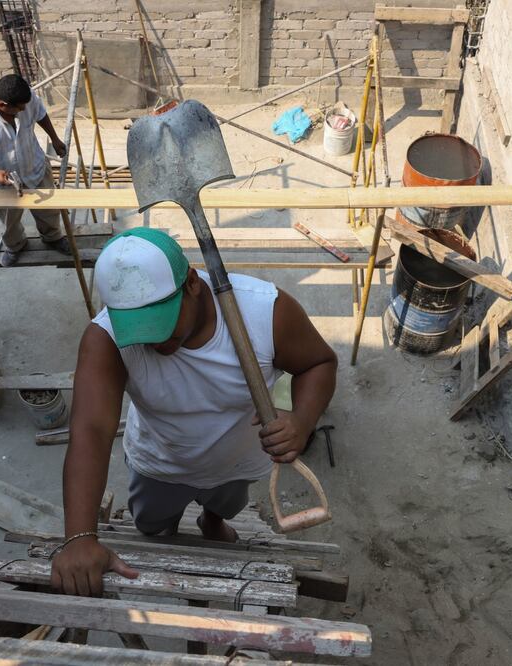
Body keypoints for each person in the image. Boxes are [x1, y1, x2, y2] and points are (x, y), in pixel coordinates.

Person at [51, 228, 338, 596]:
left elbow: (319, 363)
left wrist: (302, 420)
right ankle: (168, 531)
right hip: (159, 463)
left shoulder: (266, 312)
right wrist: (79, 537)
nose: (153, 340)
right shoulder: (105, 337)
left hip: (238, 461)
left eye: (161, 323)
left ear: (192, 284)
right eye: (139, 328)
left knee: (227, 505)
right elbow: (90, 429)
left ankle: (211, 522)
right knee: (153, 524)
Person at [0, 73, 71, 267]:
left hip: (34, 165)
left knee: (49, 210)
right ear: (2, 104)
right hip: (3, 182)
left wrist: (55, 139)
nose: (24, 109)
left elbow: (40, 114)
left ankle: (53, 238)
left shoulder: (24, 97)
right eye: (20, 108)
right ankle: (16, 246)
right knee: (10, 221)